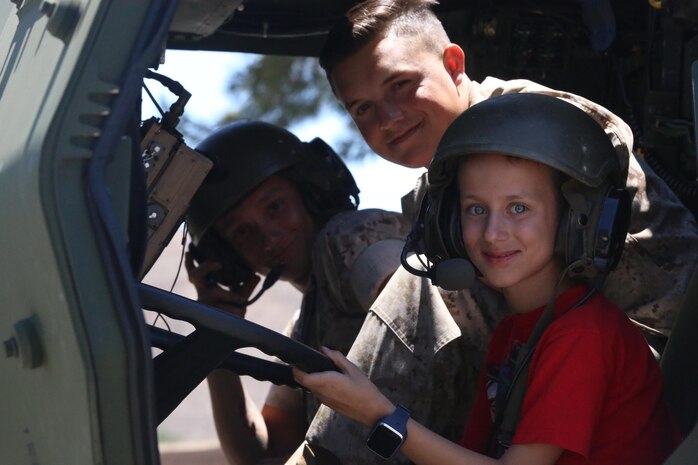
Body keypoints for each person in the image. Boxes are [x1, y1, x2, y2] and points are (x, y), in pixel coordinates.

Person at [295, 0, 698, 463]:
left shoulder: (544, 129)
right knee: (342, 242)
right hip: (541, 343)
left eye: (401, 85)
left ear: (454, 64)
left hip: (643, 363)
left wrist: (380, 415)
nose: (388, 117)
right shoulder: (441, 185)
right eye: (363, 108)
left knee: (425, 285)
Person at [185, 120, 409, 465]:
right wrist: (216, 338)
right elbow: (260, 456)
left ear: (313, 191)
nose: (269, 238)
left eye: (274, 207)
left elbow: (409, 305)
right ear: (229, 258)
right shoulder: (304, 328)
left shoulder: (351, 237)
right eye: (242, 233)